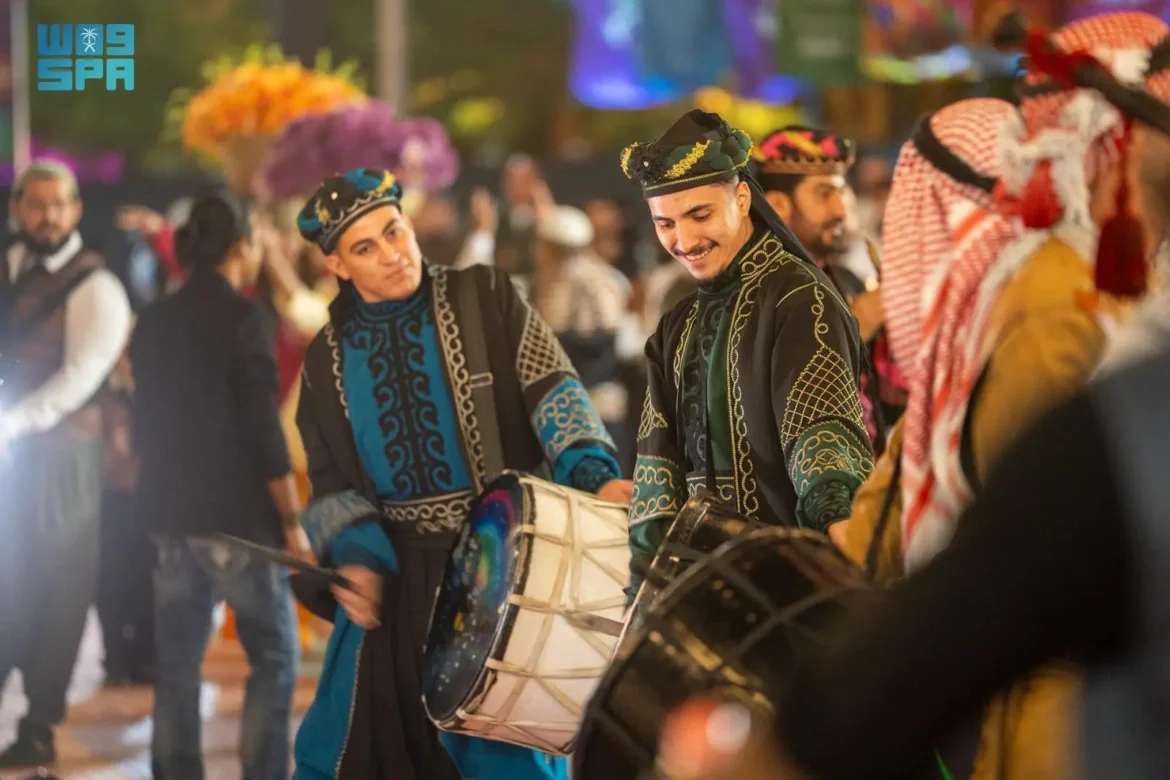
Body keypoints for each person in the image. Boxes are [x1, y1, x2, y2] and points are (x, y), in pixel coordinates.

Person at [289, 168, 632, 780]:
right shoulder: (326, 358)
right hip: (395, 584)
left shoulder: (484, 297)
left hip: (501, 566)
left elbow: (553, 389)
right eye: (366, 248)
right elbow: (330, 481)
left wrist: (595, 476)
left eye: (394, 231)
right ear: (337, 265)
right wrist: (357, 558)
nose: (392, 254)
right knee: (362, 752)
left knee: (505, 759)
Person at [621, 110, 873, 596]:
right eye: (665, 224)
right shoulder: (676, 326)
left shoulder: (799, 299)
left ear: (741, 199)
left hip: (794, 593)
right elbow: (656, 479)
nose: (685, 241)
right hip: (704, 597)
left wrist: (844, 540)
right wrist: (642, 594)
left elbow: (821, 442)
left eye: (700, 216)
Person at [130, 195, 305, 780]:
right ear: (240, 246)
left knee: (176, 665)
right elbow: (262, 426)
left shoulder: (154, 318)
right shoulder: (245, 316)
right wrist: (292, 519)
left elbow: (143, 419)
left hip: (169, 513)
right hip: (237, 519)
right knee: (273, 656)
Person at [0, 161, 133, 770]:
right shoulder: (10, 267)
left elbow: (77, 381)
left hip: (63, 462)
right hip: (15, 457)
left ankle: (39, 726)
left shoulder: (98, 286)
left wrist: (9, 425)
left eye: (59, 204)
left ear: (76, 210)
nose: (47, 215)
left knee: (58, 587)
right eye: (36, 204)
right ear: (17, 210)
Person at [752, 126, 901, 448]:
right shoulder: (754, 289)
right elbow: (765, 398)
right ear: (778, 205)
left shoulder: (845, 279)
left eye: (842, 192)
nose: (840, 210)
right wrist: (854, 327)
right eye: (824, 194)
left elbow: (884, 401)